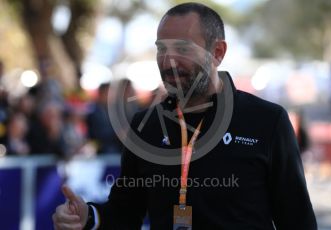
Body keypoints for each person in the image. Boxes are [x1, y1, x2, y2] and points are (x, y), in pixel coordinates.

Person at [52, 3, 317, 229]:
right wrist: (89, 217)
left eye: (183, 49)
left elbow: (297, 220)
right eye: (161, 49)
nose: (168, 62)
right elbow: (126, 211)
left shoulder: (266, 121)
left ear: (218, 53)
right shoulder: (146, 126)